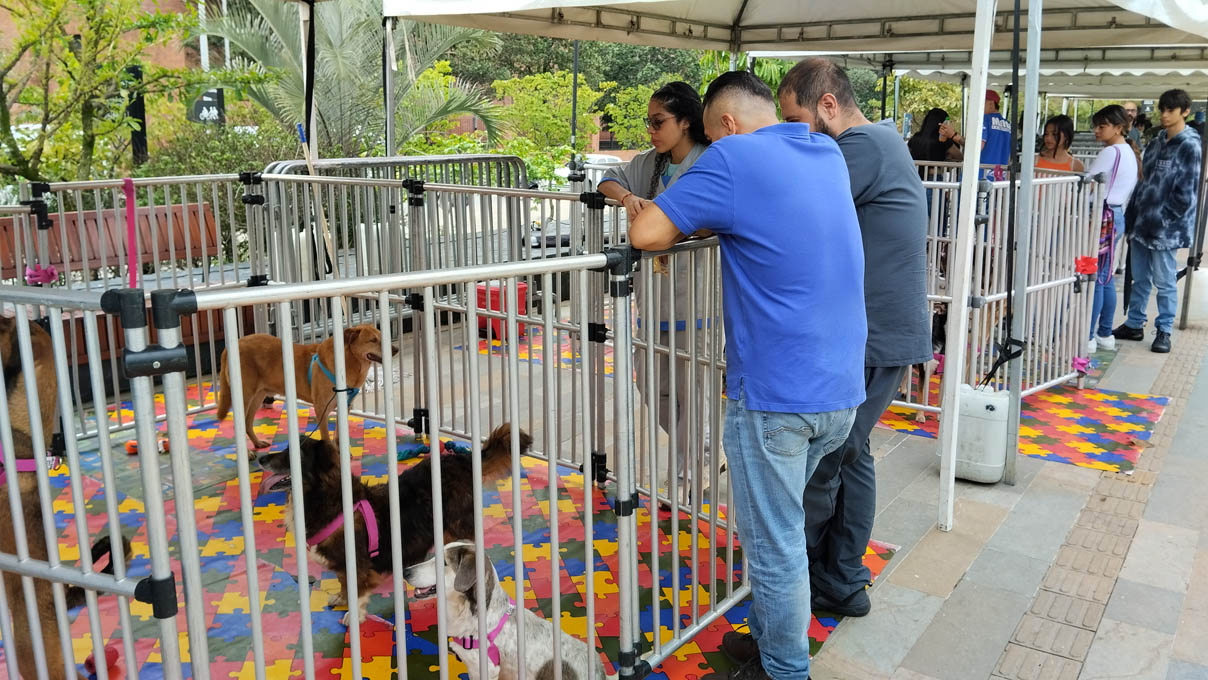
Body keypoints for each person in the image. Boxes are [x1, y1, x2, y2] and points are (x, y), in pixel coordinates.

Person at [629, 70, 866, 680]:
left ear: (725, 126)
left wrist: (670, 205)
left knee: (774, 542)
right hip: (840, 390)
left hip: (777, 398)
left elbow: (647, 232)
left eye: (709, 137)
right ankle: (767, 640)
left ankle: (784, 670)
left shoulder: (731, 157)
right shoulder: (824, 149)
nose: (708, 150)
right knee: (781, 528)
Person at [769, 59, 930, 626]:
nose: (795, 134)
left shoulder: (859, 148)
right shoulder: (879, 142)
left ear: (830, 106)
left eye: (797, 120)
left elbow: (789, 205)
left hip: (874, 333)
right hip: (879, 330)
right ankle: (840, 579)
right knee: (852, 454)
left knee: (829, 459)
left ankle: (813, 577)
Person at [597, 81, 712, 499]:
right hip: (653, 296)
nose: (651, 130)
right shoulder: (651, 165)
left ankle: (685, 475)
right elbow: (606, 180)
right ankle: (701, 449)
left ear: (685, 121)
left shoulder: (711, 160)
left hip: (697, 296)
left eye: (658, 121)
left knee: (691, 389)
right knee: (650, 383)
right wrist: (627, 196)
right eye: (649, 122)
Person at [1114, 89, 1202, 353]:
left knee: (1164, 282)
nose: (1164, 115)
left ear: (1184, 111)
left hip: (1166, 229)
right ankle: (1134, 323)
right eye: (1162, 109)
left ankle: (1164, 330)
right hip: (1142, 222)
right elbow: (1145, 180)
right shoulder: (1157, 141)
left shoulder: (1190, 145)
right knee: (1139, 278)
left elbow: (1187, 193)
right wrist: (1134, 216)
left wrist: (1164, 218)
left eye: (1171, 110)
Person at [1085, 105, 1140, 354]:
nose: (1097, 130)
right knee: (1105, 279)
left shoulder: (1111, 152)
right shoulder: (1128, 151)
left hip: (1102, 215)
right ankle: (1104, 332)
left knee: (1095, 279)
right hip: (1116, 214)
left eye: (1102, 126)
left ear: (1118, 127)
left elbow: (1088, 183)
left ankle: (1088, 336)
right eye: (1096, 125)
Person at [981, 89, 1012, 177]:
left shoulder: (984, 119)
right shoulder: (1008, 124)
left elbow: (977, 147)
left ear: (991, 104)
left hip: (980, 176)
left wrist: (954, 136)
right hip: (999, 176)